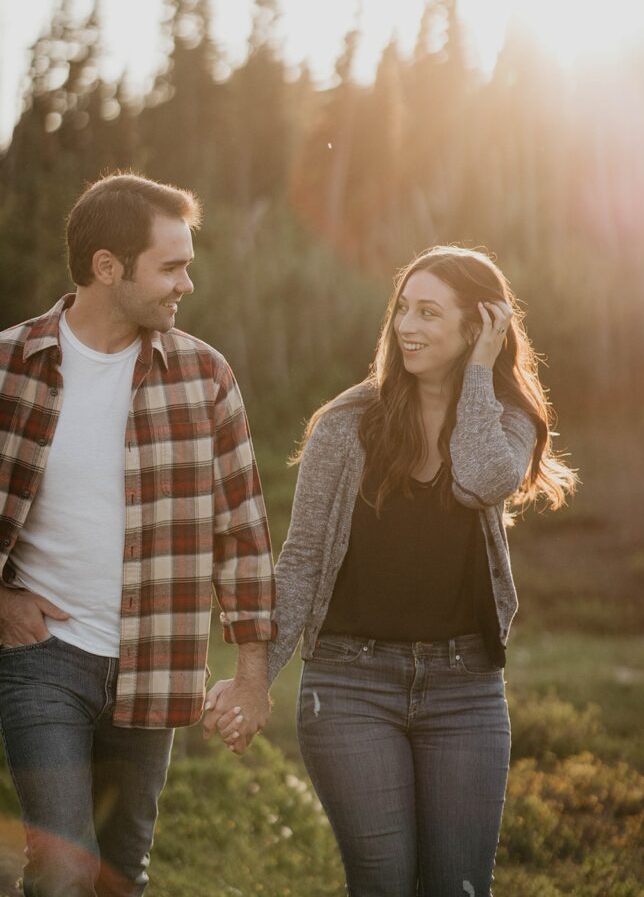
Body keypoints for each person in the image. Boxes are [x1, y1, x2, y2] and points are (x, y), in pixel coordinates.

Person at [265, 245, 577, 897]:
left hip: (464, 691)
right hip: (348, 686)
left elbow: (480, 480)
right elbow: (299, 560)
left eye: (429, 312)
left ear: (478, 327)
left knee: (459, 886)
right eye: (402, 308)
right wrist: (251, 677)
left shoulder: (506, 421)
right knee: (382, 883)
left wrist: (476, 378)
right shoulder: (346, 425)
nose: (406, 326)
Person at [0, 173, 276, 897]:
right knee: (61, 864)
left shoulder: (204, 377)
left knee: (123, 868)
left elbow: (242, 531)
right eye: (172, 266)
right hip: (43, 659)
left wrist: (250, 673)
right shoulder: (7, 368)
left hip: (156, 658)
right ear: (107, 267)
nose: (187, 283)